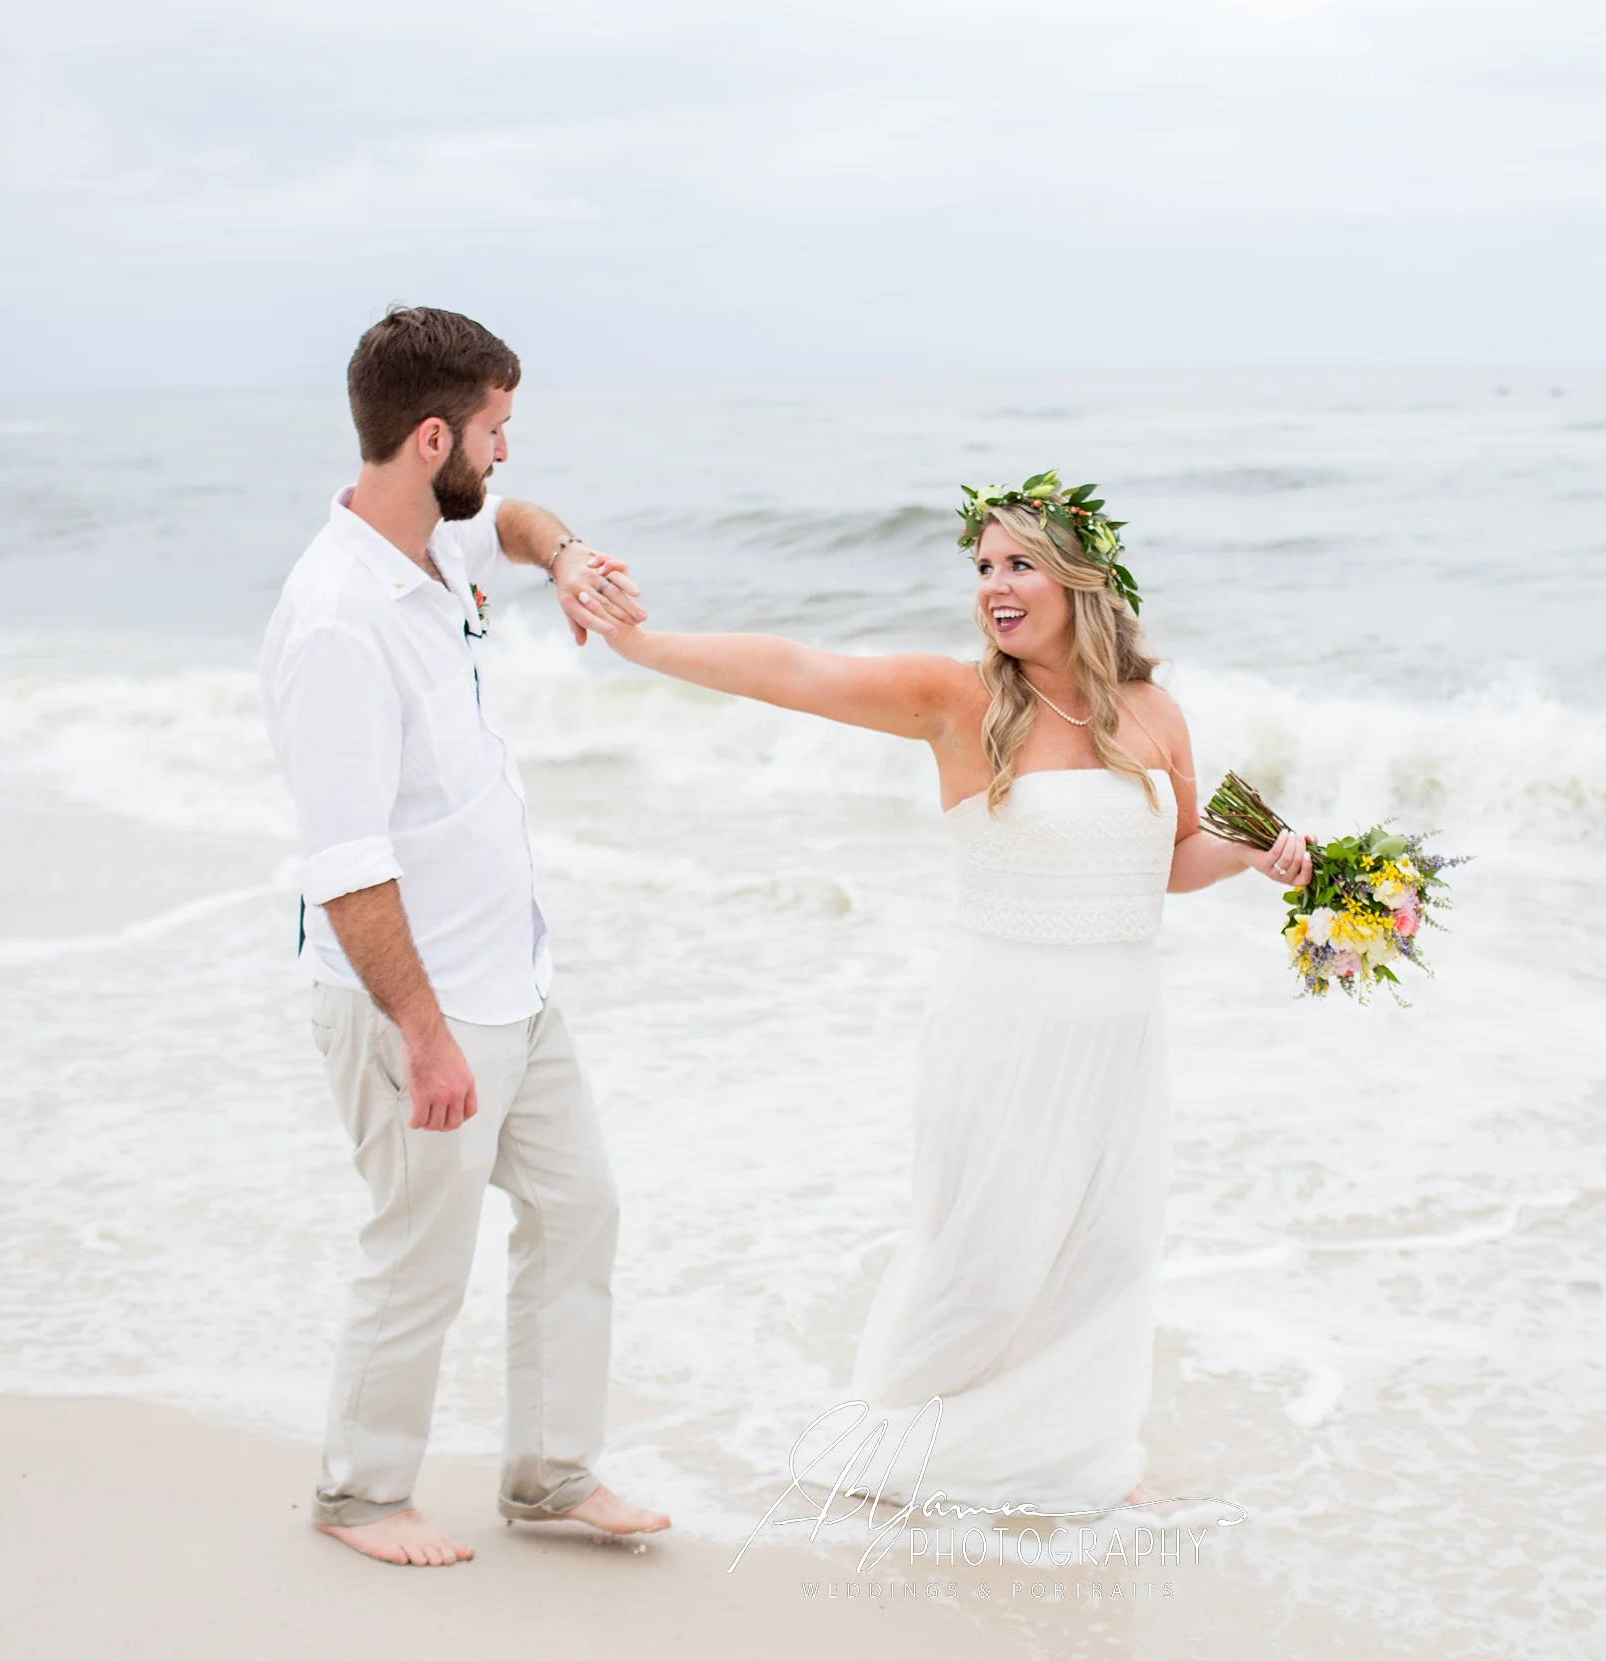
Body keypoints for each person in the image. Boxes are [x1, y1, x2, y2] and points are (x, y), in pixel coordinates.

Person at [564, 474, 1310, 1514]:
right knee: (986, 1257)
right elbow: (794, 667)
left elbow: (1168, 858)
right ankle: (903, 1440)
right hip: (1001, 1018)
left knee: (1104, 1247)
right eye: (982, 567)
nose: (994, 587)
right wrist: (644, 645)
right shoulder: (958, 700)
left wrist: (1245, 857)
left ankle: (1074, 1457)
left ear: (1082, 578)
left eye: (1018, 564)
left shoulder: (1155, 712)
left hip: (1123, 1025)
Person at [258, 306, 668, 1566]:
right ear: (431, 435)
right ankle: (361, 1494)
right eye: (491, 432)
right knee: (420, 1251)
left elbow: (519, 522)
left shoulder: (439, 548)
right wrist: (425, 1037)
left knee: (580, 1207)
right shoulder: (338, 617)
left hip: (517, 983)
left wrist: (573, 559)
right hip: (418, 1003)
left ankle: (549, 1477)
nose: (501, 454)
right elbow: (346, 863)